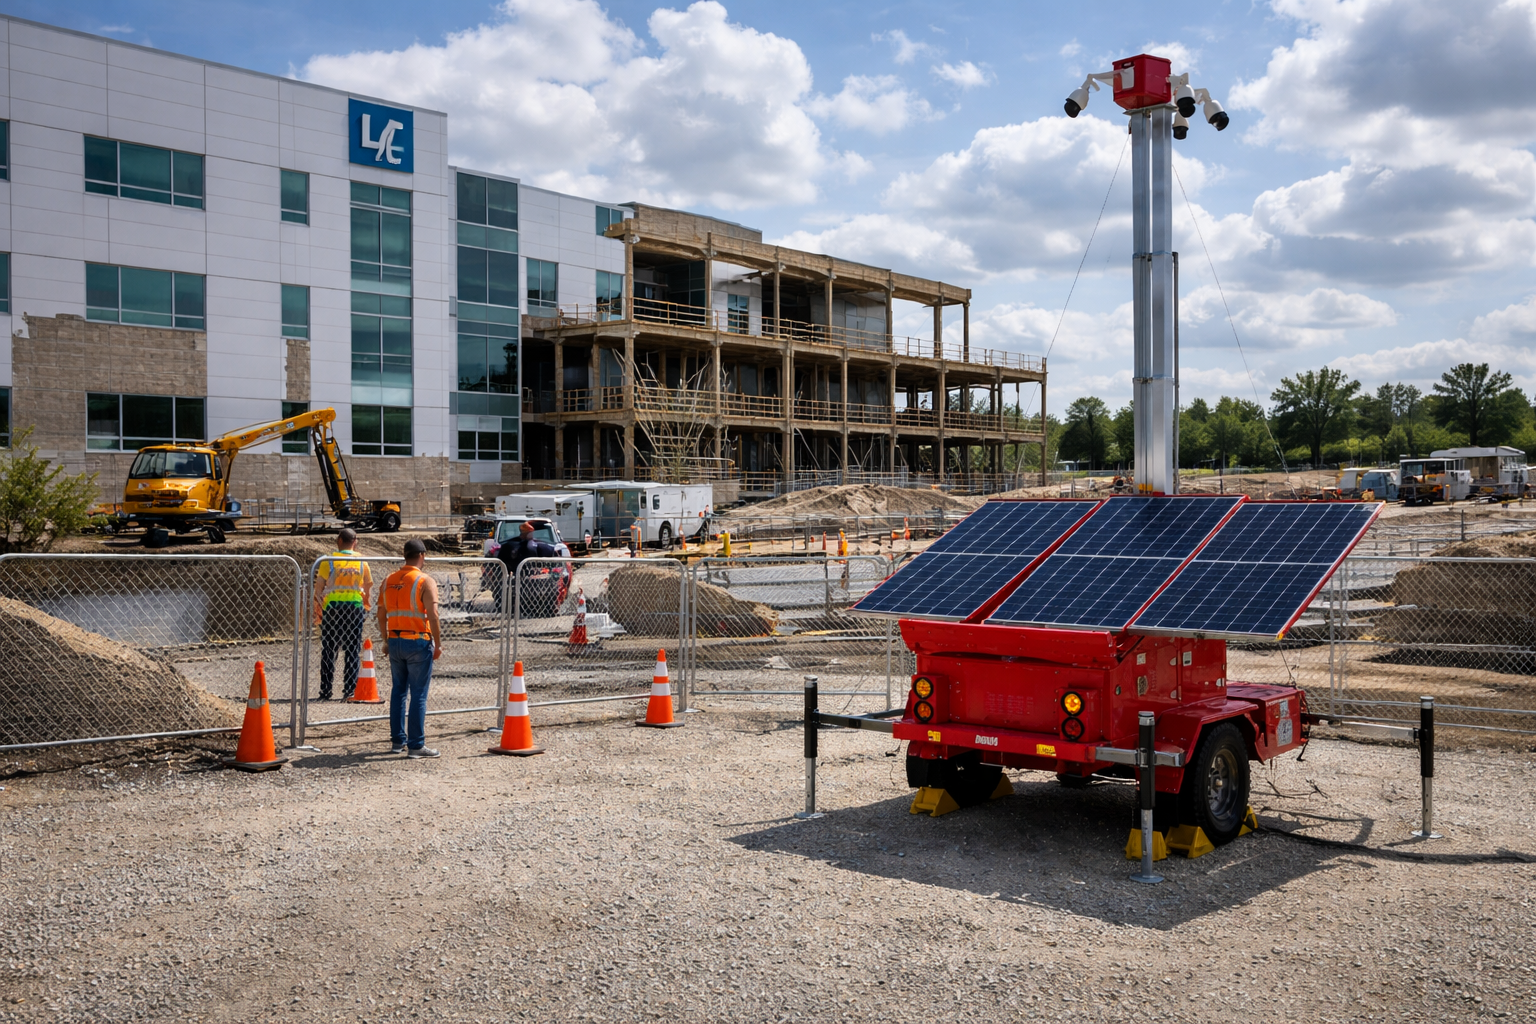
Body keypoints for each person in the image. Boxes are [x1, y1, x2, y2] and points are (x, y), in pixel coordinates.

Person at [378, 538, 444, 758]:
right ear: (422, 556)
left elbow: (381, 613)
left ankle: (398, 741)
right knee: (418, 695)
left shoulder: (388, 580)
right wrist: (438, 643)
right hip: (417, 641)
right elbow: (433, 615)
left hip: (395, 641)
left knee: (398, 692)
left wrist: (386, 640)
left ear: (404, 555)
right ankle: (416, 746)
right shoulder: (425, 581)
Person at [314, 528, 373, 700]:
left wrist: (319, 609)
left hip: (333, 609)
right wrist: (366, 607)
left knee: (329, 650)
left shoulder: (329, 560)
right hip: (354, 608)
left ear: (339, 540)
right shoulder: (362, 562)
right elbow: (368, 588)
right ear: (355, 541)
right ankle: (349, 690)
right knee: (352, 650)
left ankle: (325, 691)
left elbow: (318, 589)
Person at [495, 521, 561, 612]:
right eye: (529, 533)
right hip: (516, 577)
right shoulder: (511, 546)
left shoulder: (542, 547)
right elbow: (500, 564)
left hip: (533, 577)